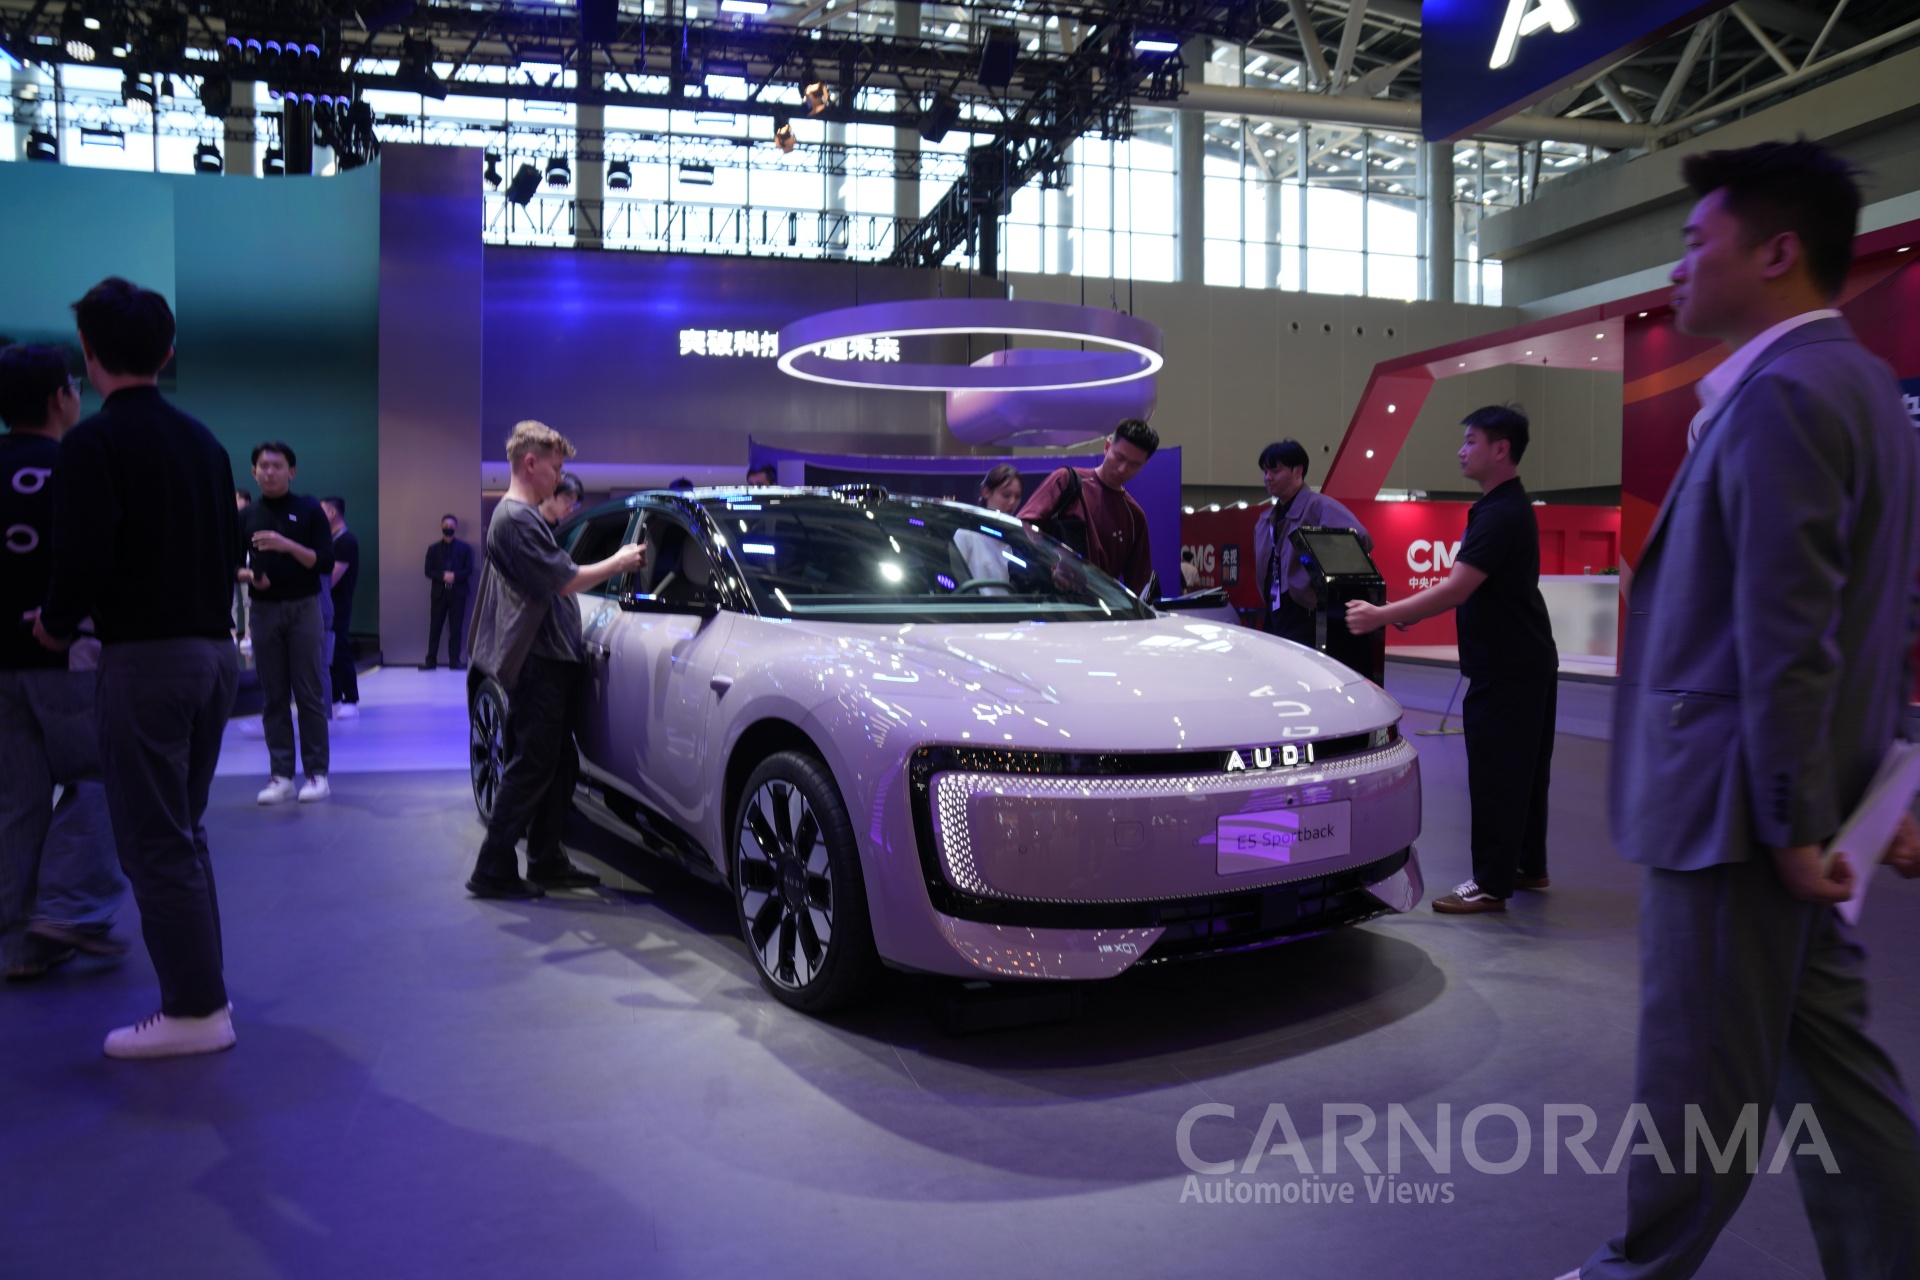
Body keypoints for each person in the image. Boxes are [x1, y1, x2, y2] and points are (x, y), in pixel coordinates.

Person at [1558, 140, 1920, 1280]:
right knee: (1838, 1077)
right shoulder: (1864, 386)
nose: (1677, 265)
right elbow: (1880, 610)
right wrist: (1882, 776)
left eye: (1693, 240)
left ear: (1776, 252)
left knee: (1697, 1082)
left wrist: (1791, 818)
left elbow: (1790, 628)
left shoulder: (1785, 394)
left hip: (1740, 816)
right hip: (1802, 800)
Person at [35, 277, 243, 1059]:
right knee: (183, 833)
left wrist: (54, 627)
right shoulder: (204, 442)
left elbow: (81, 555)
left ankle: (196, 1010)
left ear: (88, 354)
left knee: (154, 842)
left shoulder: (93, 444)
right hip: (212, 655)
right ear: (169, 349)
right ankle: (205, 995)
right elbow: (228, 551)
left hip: (146, 662)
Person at [1346, 406, 1557, 914]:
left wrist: (1381, 615)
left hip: (1506, 668)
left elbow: (1457, 587)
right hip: (1526, 661)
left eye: (1471, 441)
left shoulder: (1499, 512)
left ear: (1500, 449)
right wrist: (1403, 614)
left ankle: (1490, 883)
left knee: (1498, 775)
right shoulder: (1503, 507)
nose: (1461, 451)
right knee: (1526, 774)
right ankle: (1527, 864)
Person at [465, 421, 644, 899]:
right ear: (531, 463)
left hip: (551, 659)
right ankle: (493, 867)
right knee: (532, 765)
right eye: (556, 468)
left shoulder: (521, 518)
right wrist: (620, 561)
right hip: (539, 662)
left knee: (557, 764)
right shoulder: (516, 520)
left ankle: (545, 859)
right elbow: (564, 581)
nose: (559, 478)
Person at [1, 344, 127, 981]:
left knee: (14, 802)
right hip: (69, 654)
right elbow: (95, 560)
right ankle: (69, 907)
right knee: (104, 775)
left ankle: (19, 943)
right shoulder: (75, 465)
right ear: (60, 397)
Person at [243, 441, 334, 805]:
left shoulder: (309, 509)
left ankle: (316, 774)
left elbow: (324, 562)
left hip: (304, 607)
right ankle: (281, 775)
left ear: (291, 472)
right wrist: (251, 577)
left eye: (277, 466)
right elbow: (228, 565)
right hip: (263, 609)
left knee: (308, 692)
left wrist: (286, 545)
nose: (270, 472)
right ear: (254, 472)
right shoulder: (246, 516)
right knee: (273, 695)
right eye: (263, 466)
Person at [1016, 418, 1158, 594]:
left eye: (1134, 465)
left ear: (1144, 465)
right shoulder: (1066, 481)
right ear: (1107, 447)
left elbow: (1139, 584)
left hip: (1100, 606)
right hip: (1049, 601)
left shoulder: (1134, 516)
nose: (1122, 469)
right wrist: (1056, 558)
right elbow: (1022, 527)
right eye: (1119, 457)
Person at [1251, 439, 1372, 645]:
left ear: (1297, 471)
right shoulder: (1266, 519)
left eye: (1275, 471)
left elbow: (1360, 539)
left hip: (1306, 613)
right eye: (1265, 471)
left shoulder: (1319, 506)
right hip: (1275, 612)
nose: (1267, 477)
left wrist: (1309, 579)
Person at [320, 496, 359, 720]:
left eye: (322, 511)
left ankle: (351, 699)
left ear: (332, 513)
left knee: (340, 651)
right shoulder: (332, 541)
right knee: (329, 654)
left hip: (339, 606)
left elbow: (332, 579)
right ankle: (334, 698)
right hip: (328, 606)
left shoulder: (346, 541)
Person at [423, 514, 473, 669]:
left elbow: (469, 569)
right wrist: (443, 576)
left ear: (455, 527)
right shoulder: (433, 549)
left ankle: (454, 661)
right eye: (445, 524)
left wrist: (454, 576)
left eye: (451, 525)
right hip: (439, 594)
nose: (448, 527)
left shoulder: (465, 548)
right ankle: (430, 661)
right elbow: (428, 571)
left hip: (458, 594)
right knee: (435, 627)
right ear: (441, 526)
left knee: (456, 628)